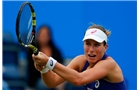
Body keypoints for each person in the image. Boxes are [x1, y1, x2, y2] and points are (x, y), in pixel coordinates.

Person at [32, 24, 127, 90]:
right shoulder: (80, 61)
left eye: (96, 45)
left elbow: (78, 79)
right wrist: (44, 69)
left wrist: (49, 61)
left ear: (105, 48)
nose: (91, 49)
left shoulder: (108, 64)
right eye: (88, 44)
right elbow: (52, 82)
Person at [26, 25, 64, 90]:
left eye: (46, 35)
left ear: (49, 37)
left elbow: (61, 66)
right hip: (38, 79)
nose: (44, 37)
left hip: (56, 77)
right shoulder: (32, 52)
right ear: (38, 36)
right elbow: (32, 70)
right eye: (42, 35)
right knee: (45, 84)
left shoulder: (56, 51)